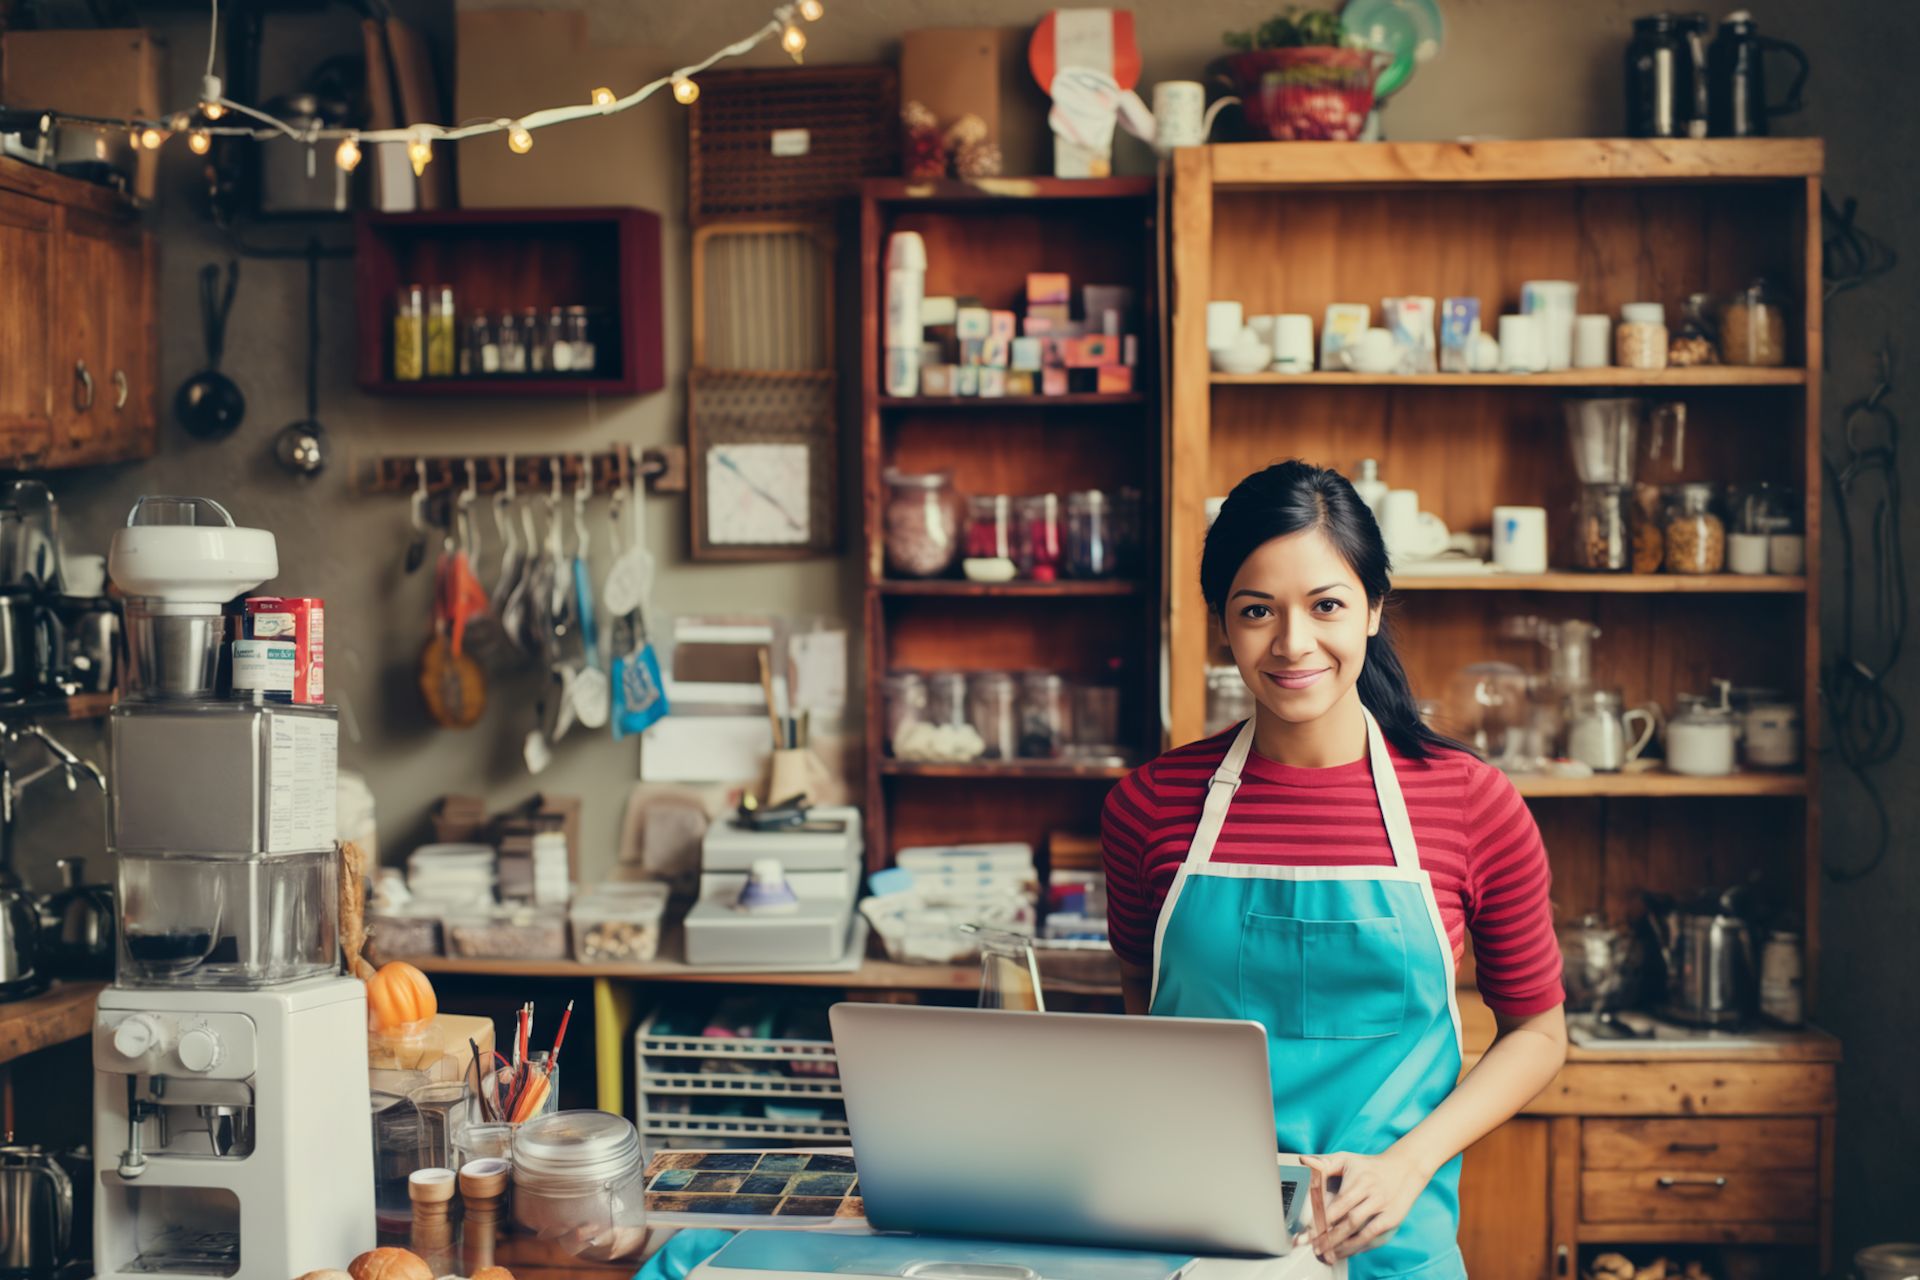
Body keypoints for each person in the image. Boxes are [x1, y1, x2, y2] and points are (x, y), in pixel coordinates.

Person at [1103, 460, 1568, 1277]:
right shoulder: (1150, 805)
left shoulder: (1471, 803)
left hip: (1393, 1248)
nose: (1292, 644)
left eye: (1326, 606)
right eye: (1257, 611)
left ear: (1374, 610)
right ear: (1221, 623)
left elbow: (1537, 1033)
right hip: (1197, 1245)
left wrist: (1410, 1165)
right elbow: (1146, 1017)